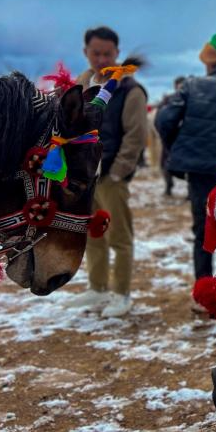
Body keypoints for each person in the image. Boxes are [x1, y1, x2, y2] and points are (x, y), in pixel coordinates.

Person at [156, 34, 216, 300]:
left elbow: (163, 121)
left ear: (210, 62)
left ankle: (205, 292)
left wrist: (180, 147)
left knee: (203, 231)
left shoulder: (192, 85)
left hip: (199, 170)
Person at [67, 26, 148, 318]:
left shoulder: (129, 89)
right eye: (96, 53)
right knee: (92, 233)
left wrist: (119, 171)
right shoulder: (80, 84)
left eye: (107, 53)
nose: (101, 59)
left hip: (111, 175)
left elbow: (136, 135)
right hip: (84, 176)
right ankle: (98, 287)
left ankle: (121, 293)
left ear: (117, 53)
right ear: (85, 52)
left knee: (119, 237)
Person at [154, 76, 187, 196]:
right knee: (165, 164)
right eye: (179, 86)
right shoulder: (168, 100)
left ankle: (190, 191)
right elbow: (159, 119)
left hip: (185, 138)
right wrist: (164, 134)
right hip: (169, 138)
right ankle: (168, 186)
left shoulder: (192, 99)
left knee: (188, 166)